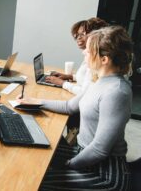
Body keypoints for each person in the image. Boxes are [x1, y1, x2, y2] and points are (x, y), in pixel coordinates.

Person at [19, 26, 133, 190]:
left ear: (104, 59)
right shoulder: (98, 80)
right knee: (33, 151)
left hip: (105, 174)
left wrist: (69, 164)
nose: (83, 53)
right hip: (83, 151)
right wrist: (34, 101)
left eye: (88, 51)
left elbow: (100, 150)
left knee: (35, 181)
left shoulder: (116, 92)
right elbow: (70, 106)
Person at [46, 17, 109, 94]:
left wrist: (62, 83)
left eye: (83, 34)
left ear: (95, 36)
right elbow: (85, 79)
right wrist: (69, 77)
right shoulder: (88, 55)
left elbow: (84, 92)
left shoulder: (94, 61)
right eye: (77, 34)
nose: (78, 38)